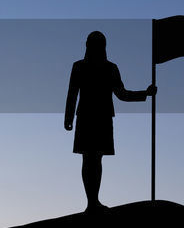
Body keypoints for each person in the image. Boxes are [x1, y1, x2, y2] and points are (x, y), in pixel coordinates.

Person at [64, 31, 156, 213]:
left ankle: (93, 202)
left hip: (102, 118)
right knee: (88, 158)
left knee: (95, 159)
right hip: (86, 117)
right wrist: (68, 118)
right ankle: (91, 203)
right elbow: (72, 93)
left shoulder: (111, 68)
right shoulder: (79, 67)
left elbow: (122, 94)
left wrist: (144, 94)